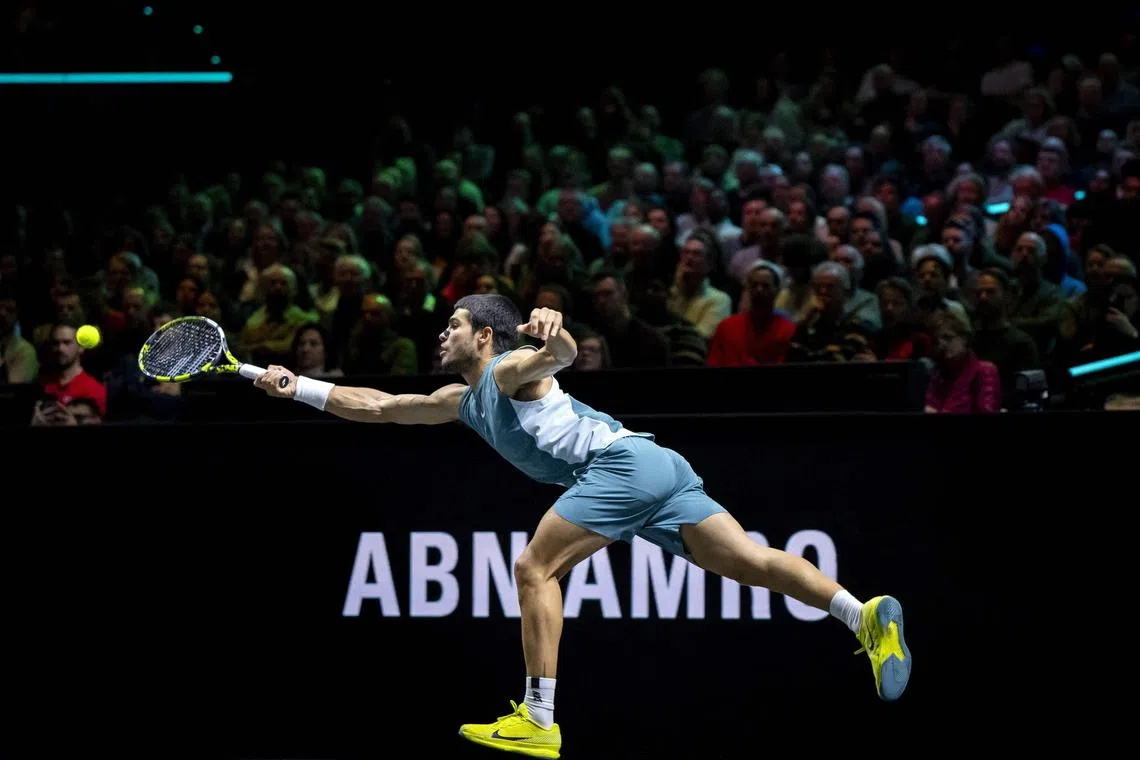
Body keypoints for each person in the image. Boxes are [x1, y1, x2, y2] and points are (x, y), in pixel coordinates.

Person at [253, 294, 912, 759]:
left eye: (453, 324)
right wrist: (298, 387)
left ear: (486, 335)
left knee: (533, 567)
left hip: (620, 468)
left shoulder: (510, 371)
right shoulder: (460, 402)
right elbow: (379, 406)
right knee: (750, 561)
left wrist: (554, 330)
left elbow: (558, 355)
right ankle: (864, 615)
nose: (441, 334)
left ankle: (539, 718)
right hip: (654, 467)